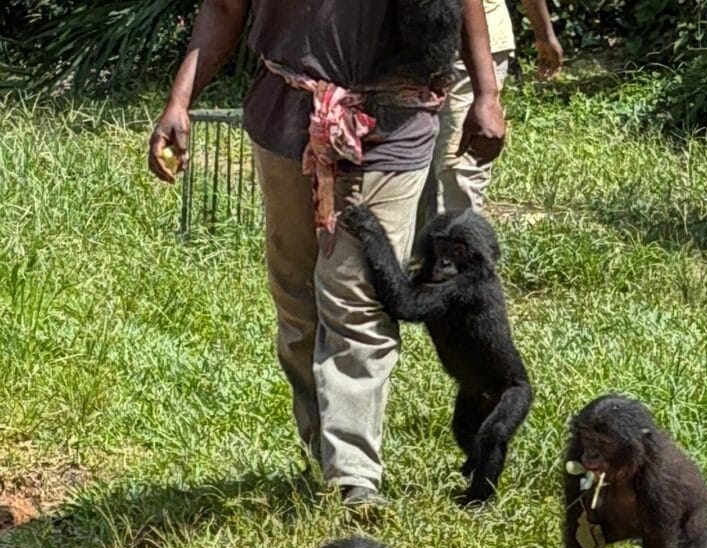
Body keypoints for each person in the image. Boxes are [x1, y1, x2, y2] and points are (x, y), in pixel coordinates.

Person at [148, 1, 507, 509]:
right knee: (297, 300)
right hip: (285, 119)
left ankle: (354, 477)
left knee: (356, 299)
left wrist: (487, 92)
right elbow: (225, 8)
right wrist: (179, 101)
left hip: (392, 124)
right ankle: (324, 448)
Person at [424, 0, 561, 219]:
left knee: (459, 164)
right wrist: (544, 32)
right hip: (407, 44)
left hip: (478, 44)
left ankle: (455, 244)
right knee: (414, 157)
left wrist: (544, 32)